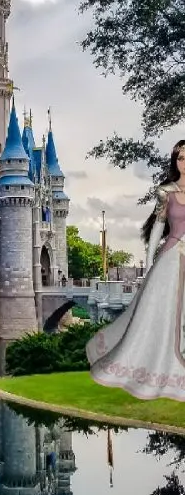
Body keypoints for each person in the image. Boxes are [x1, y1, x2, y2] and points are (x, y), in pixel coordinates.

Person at [86, 139, 185, 402]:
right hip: (173, 256)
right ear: (175, 161)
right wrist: (151, 257)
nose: (184, 163)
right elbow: (158, 226)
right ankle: (164, 369)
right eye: (180, 158)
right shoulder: (166, 191)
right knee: (163, 313)